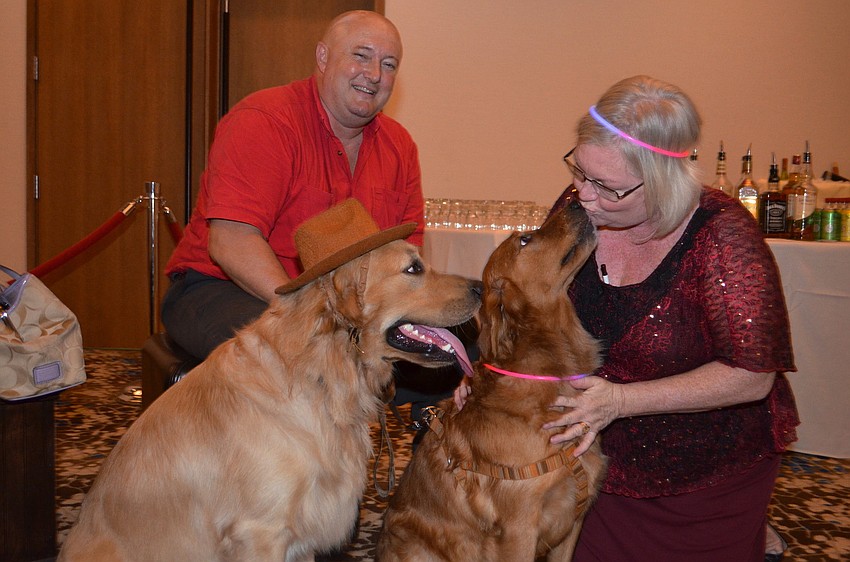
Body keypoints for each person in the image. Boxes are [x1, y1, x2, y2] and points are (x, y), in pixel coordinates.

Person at [458, 75, 799, 561]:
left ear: (664, 181)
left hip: (700, 472)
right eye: (579, 171)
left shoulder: (724, 238)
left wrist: (618, 400)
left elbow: (752, 377)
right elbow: (527, 308)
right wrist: (486, 377)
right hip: (593, 462)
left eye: (607, 187)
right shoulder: (582, 206)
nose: (585, 195)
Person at [162, 10, 424, 359]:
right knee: (313, 353)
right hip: (221, 288)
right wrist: (315, 316)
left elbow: (408, 256)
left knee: (456, 345)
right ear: (323, 56)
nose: (374, 75)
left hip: (343, 310)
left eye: (389, 65)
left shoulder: (400, 146)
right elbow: (231, 243)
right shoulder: (264, 121)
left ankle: (426, 415)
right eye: (361, 56)